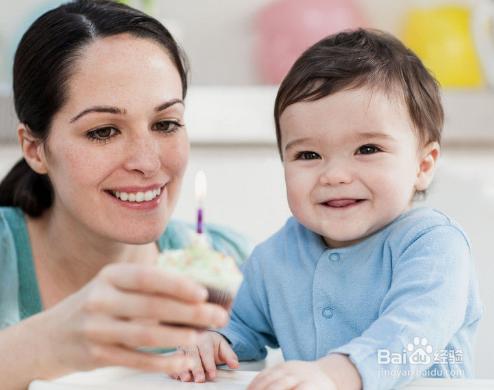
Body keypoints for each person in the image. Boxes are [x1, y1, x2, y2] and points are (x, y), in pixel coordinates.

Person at [170, 29, 483, 390]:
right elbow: (240, 323)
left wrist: (337, 373)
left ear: (423, 166)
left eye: (367, 149)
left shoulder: (434, 246)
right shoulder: (275, 258)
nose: (334, 175)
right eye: (308, 155)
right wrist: (214, 342)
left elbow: (415, 336)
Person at [0, 1, 249, 388]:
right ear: (35, 149)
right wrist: (42, 345)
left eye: (165, 124)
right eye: (103, 131)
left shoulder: (234, 266)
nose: (147, 162)